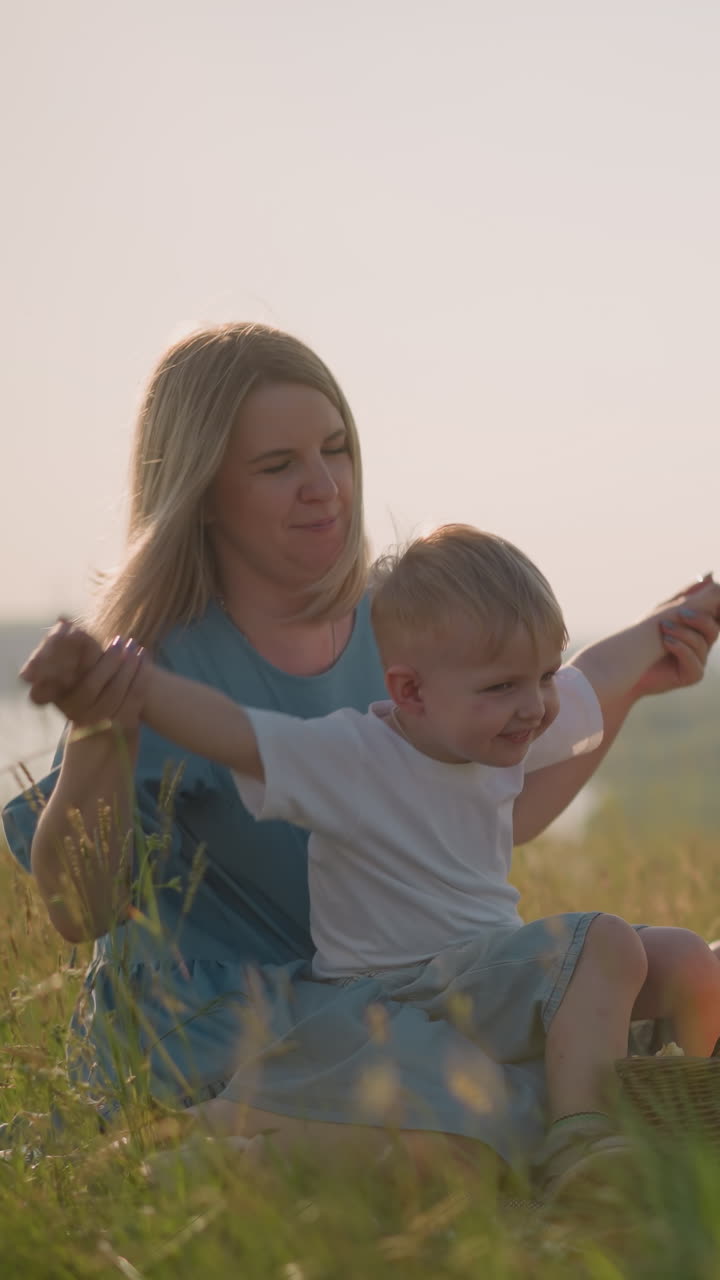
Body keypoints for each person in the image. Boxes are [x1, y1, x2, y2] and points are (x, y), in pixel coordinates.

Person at [4, 323, 720, 1179]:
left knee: (683, 969)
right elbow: (78, 911)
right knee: (482, 1127)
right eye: (279, 466)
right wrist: (100, 727)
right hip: (235, 1017)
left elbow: (488, 804)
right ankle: (159, 1160)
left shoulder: (401, 611)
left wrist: (639, 674)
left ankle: (612, 1131)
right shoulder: (164, 661)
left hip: (418, 981)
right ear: (202, 490)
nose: (324, 487)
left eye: (335, 449)